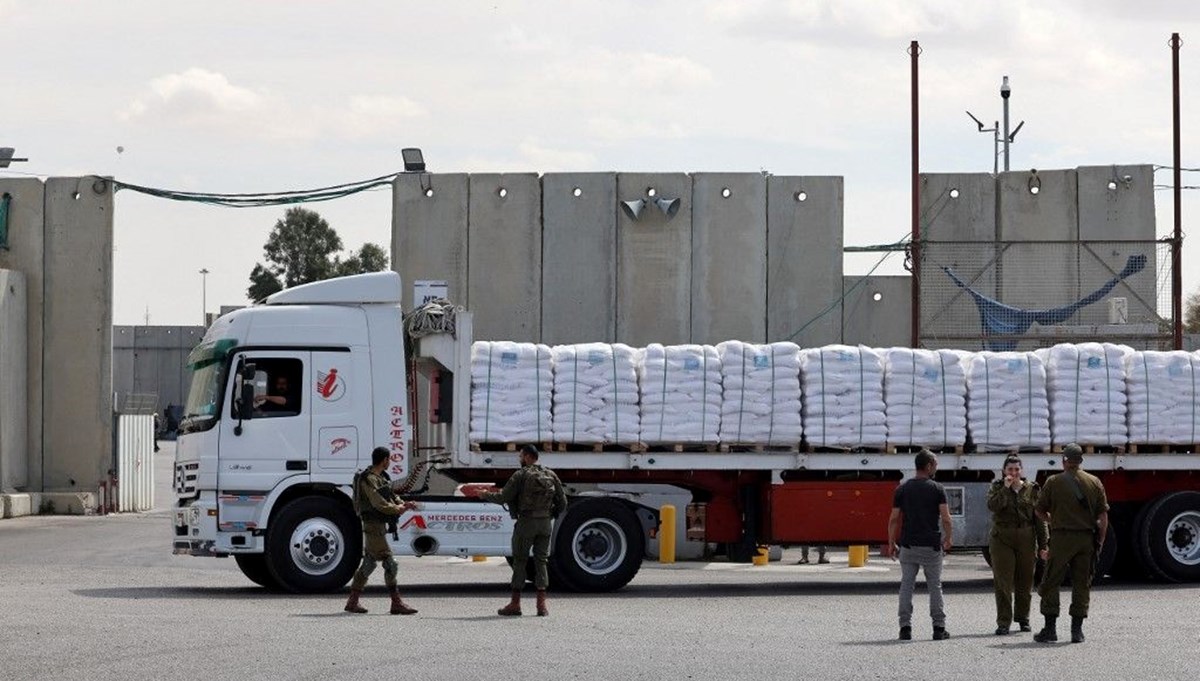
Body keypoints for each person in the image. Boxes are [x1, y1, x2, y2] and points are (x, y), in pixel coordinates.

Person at [1033, 443, 1109, 644]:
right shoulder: (1095, 482)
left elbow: (1039, 511)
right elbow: (1102, 517)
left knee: (1051, 581)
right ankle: (1077, 631)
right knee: (1082, 583)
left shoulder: (1053, 482)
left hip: (1061, 539)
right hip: (1086, 539)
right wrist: (1099, 540)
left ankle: (1050, 630)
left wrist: (1053, 520)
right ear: (1081, 461)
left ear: (1064, 460)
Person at [479, 444, 567, 617]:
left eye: (521, 456)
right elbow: (563, 502)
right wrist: (549, 515)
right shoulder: (550, 474)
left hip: (526, 522)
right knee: (541, 561)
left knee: (520, 560)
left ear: (527, 457)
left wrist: (484, 495)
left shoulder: (521, 474)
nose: (520, 459)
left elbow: (504, 497)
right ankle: (541, 606)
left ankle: (515, 604)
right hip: (545, 524)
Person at [343, 446, 420, 615]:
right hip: (373, 526)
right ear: (384, 459)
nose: (390, 462)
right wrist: (398, 509)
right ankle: (396, 603)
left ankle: (352, 601)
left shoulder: (381, 477)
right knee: (390, 563)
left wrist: (404, 504)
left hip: (378, 526)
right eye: (389, 459)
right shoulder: (368, 479)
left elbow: (390, 496)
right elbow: (379, 503)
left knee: (369, 563)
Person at [887, 448, 953, 641]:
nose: (936, 468)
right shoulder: (937, 489)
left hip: (908, 545)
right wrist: (948, 538)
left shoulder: (902, 489)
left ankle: (905, 628)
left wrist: (891, 542)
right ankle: (938, 628)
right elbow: (946, 518)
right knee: (935, 586)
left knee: (906, 586)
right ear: (929, 465)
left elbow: (893, 519)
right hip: (931, 546)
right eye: (936, 465)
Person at [987, 455, 1047, 635]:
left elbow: (1040, 518)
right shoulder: (997, 488)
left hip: (1026, 537)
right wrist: (1006, 488)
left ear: (1021, 471)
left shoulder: (1032, 489)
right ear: (1004, 471)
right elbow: (993, 506)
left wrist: (1044, 544)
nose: (1013, 473)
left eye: (1016, 469)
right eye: (1010, 469)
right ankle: (1004, 622)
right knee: (1003, 581)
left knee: (1025, 581)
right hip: (1002, 538)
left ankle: (1023, 618)